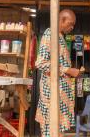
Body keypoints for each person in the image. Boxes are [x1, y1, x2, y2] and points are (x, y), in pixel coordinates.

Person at [35, 9, 81, 137]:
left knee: (57, 132)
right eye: (70, 24)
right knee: (50, 131)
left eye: (73, 25)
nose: (72, 27)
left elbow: (58, 64)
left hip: (59, 96)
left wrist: (71, 71)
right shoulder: (50, 34)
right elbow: (41, 63)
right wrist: (68, 70)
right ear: (61, 20)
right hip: (52, 95)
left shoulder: (60, 36)